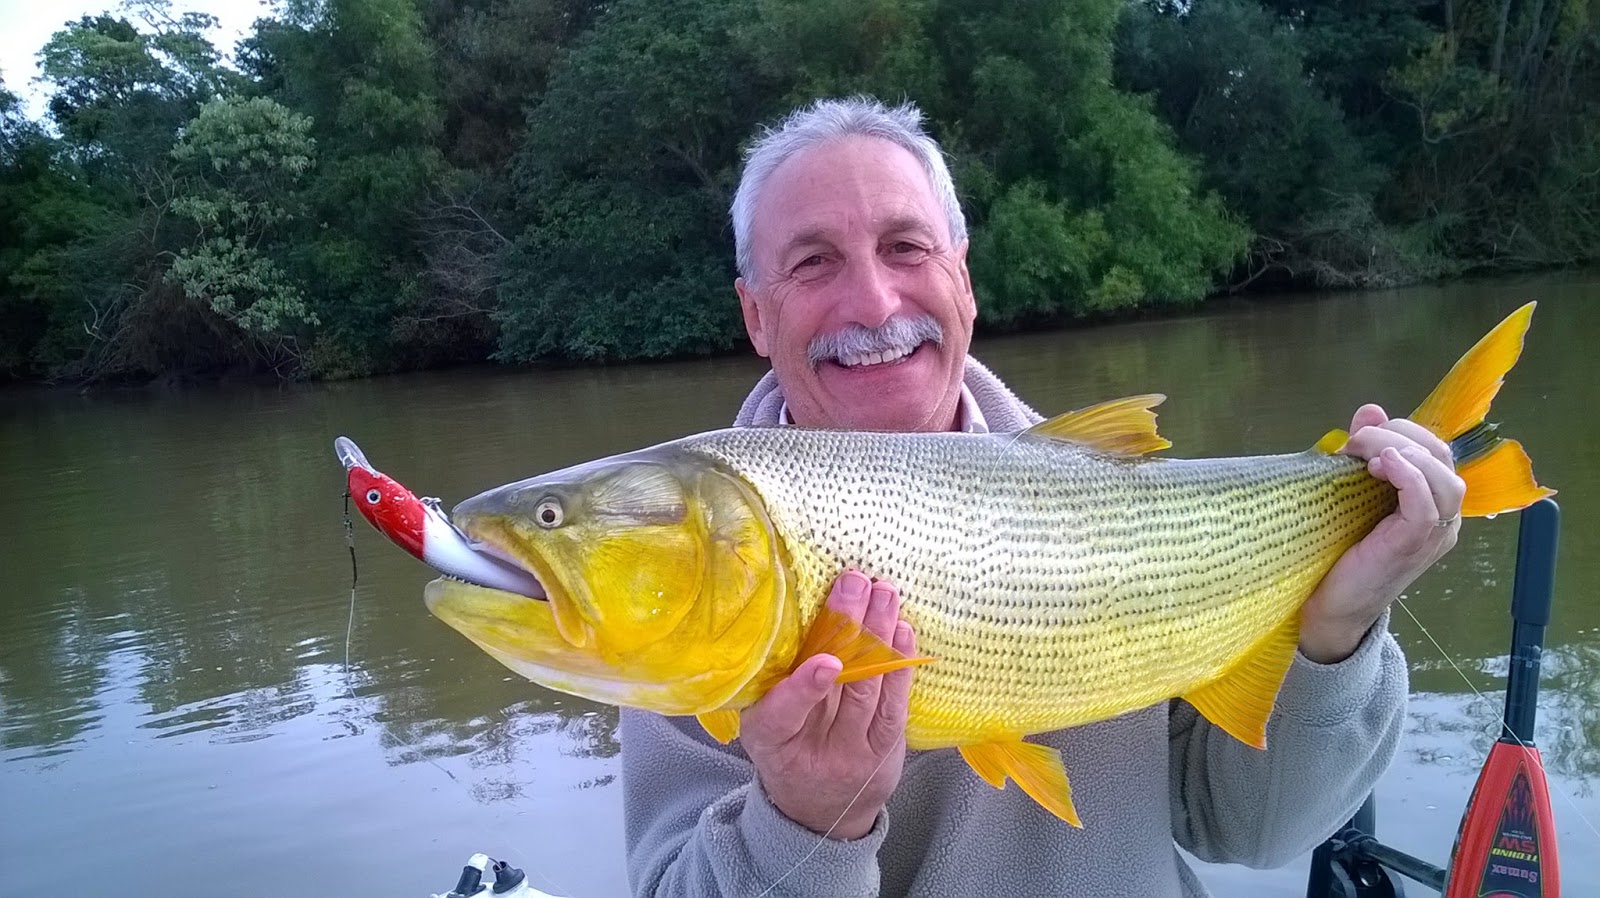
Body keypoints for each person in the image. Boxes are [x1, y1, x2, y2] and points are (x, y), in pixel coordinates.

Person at [619, 96, 1464, 897]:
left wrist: (1337, 632)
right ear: (756, 315)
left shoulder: (1128, 513)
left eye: (907, 248)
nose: (874, 302)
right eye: (813, 262)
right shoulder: (696, 582)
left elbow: (1253, 829)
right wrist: (801, 817)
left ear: (964, 279)